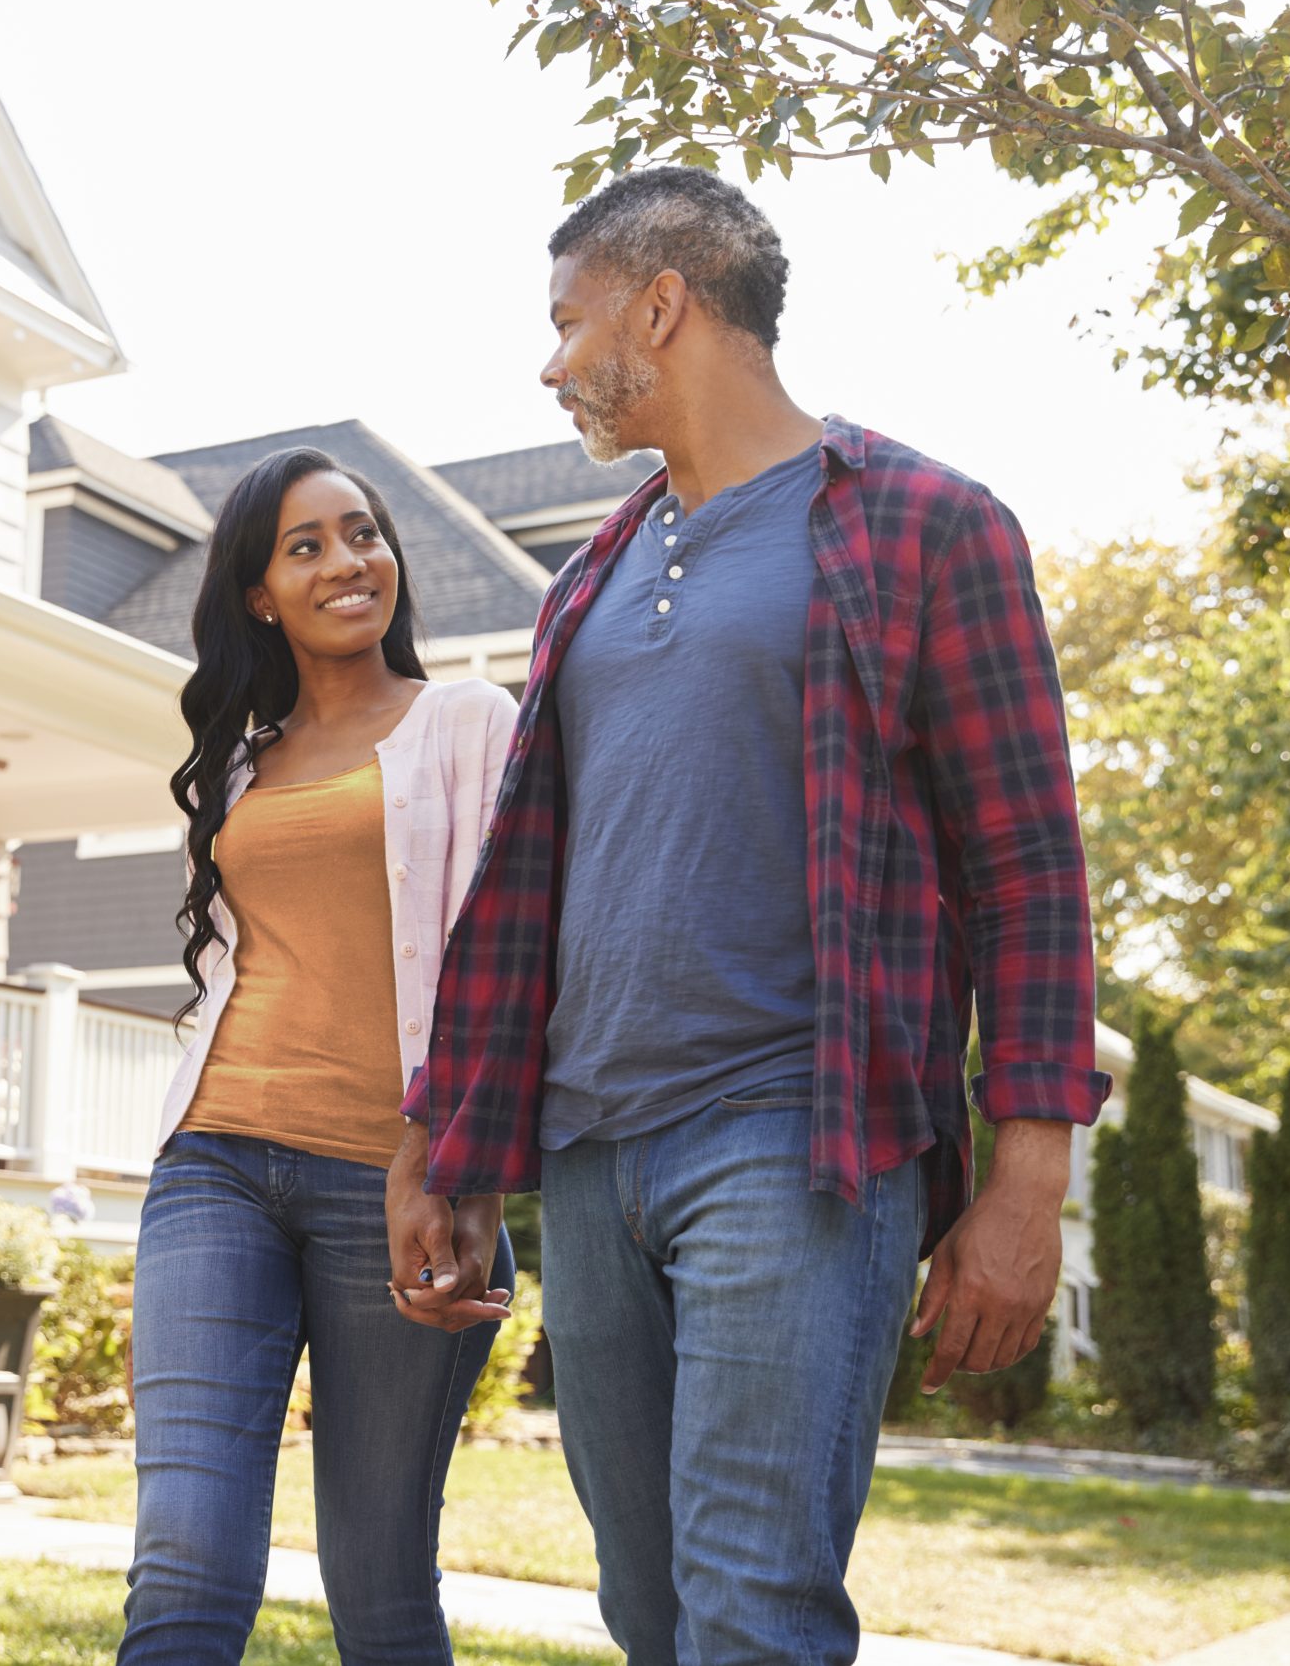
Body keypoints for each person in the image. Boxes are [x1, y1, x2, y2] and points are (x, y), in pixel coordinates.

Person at [389, 165, 1111, 1664]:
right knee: (649, 1607)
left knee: (753, 1606)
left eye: (567, 320)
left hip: (797, 1132)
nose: (551, 364)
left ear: (661, 305)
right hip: (592, 1151)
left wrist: (1027, 1173)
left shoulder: (924, 523)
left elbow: (1028, 863)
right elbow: (525, 885)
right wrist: (453, 1142)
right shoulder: (588, 572)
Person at [123, 446, 519, 1666]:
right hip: (216, 1165)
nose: (348, 562)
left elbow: (514, 964)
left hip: (399, 1190)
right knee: (184, 1552)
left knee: (380, 1576)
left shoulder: (467, 720)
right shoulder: (235, 767)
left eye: (364, 533)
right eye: (306, 546)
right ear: (259, 593)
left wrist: (465, 1178)